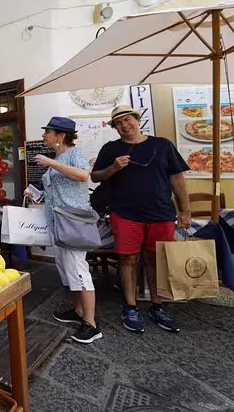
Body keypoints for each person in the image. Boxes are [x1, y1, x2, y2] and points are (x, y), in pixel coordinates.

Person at [91, 105, 191, 334]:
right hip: (125, 214)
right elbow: (95, 177)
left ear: (138, 120)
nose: (124, 125)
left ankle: (158, 306)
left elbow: (177, 179)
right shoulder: (110, 149)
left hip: (162, 213)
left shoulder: (162, 145)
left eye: (128, 120)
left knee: (157, 260)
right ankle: (130, 306)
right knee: (128, 260)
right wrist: (113, 168)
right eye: (118, 123)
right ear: (115, 128)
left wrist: (185, 211)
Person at [29, 117, 101, 344]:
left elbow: (82, 176)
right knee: (69, 269)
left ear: (60, 135)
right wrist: (35, 195)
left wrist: (51, 164)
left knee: (79, 270)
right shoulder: (58, 157)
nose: (43, 136)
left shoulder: (74, 153)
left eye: (46, 132)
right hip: (59, 222)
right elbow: (55, 192)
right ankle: (78, 311)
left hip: (73, 222)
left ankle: (91, 324)